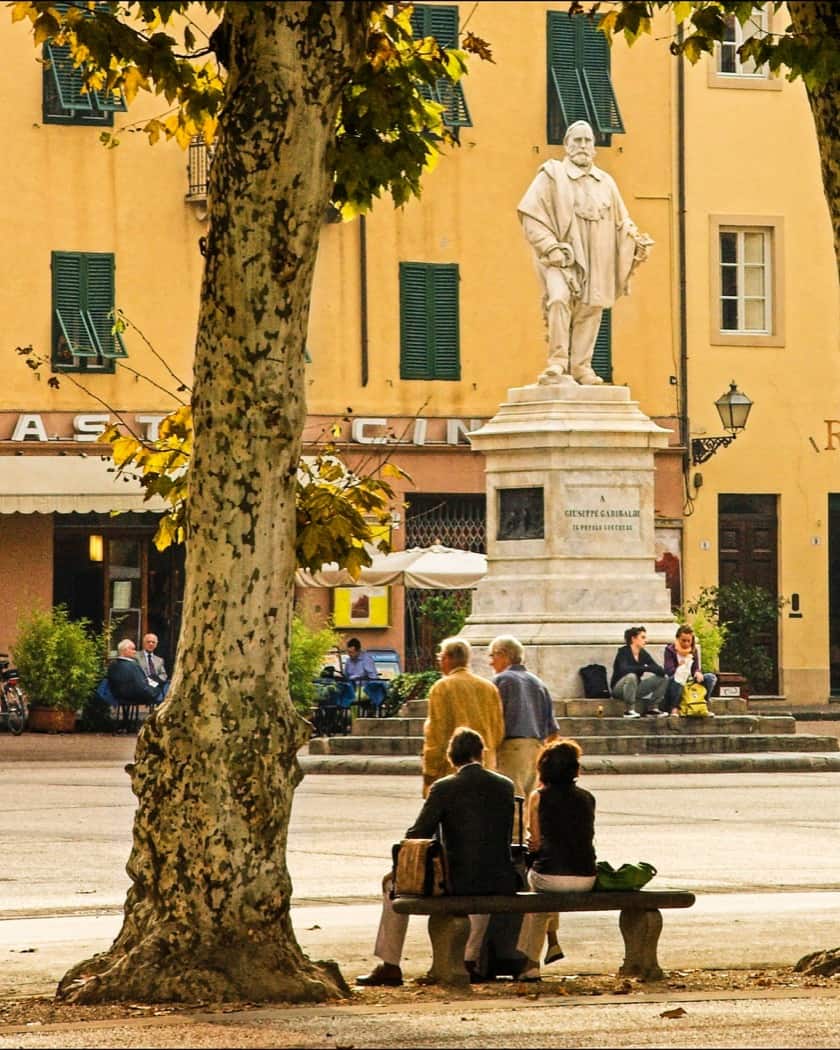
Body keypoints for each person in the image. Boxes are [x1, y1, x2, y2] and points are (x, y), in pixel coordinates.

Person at [356, 727, 518, 987]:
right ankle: (468, 959)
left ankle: (390, 964)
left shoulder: (444, 787)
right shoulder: (505, 785)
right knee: (480, 877)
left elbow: (418, 834)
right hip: (499, 879)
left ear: (452, 757)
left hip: (456, 882)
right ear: (481, 754)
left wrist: (398, 868)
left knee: (392, 886)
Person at [517, 119, 653, 386]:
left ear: (594, 148)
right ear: (566, 145)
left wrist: (635, 240)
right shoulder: (551, 176)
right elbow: (530, 216)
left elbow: (621, 221)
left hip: (598, 256)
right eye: (576, 140)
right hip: (563, 256)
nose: (582, 145)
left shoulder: (606, 183)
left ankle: (581, 367)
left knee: (592, 308)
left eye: (587, 141)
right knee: (558, 299)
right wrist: (549, 247)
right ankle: (557, 361)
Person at [516, 739, 597, 982]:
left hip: (551, 876)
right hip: (586, 877)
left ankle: (531, 963)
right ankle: (552, 942)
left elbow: (536, 842)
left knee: (538, 894)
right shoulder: (588, 798)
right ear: (575, 769)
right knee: (548, 884)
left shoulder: (538, 796)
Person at [489, 635, 559, 831]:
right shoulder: (538, 683)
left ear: (504, 655)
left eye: (493, 655)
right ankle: (529, 843)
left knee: (512, 801)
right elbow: (553, 728)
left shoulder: (501, 680)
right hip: (537, 746)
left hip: (512, 747)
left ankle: (514, 848)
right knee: (530, 802)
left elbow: (495, 719)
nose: (491, 661)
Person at [422, 637, 505, 797]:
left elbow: (436, 732)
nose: (440, 662)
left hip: (452, 768)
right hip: (485, 765)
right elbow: (498, 730)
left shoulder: (442, 687)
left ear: (447, 658)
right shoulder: (488, 687)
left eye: (440, 657)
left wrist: (430, 770)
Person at [610, 626, 667, 718]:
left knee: (663, 679)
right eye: (642, 637)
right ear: (633, 639)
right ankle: (629, 710)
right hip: (619, 689)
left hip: (635, 688)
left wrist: (649, 668)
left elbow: (659, 670)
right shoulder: (623, 652)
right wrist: (644, 668)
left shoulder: (643, 653)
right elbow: (624, 669)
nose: (646, 640)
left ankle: (652, 708)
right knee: (631, 676)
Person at [664, 625, 718, 717]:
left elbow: (696, 668)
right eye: (683, 640)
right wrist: (679, 667)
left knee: (710, 678)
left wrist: (697, 672)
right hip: (676, 681)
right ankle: (675, 707)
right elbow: (669, 670)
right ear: (677, 639)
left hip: (691, 680)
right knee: (678, 677)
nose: (686, 643)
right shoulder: (670, 650)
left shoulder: (693, 650)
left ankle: (702, 705)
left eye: (689, 641)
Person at [107, 639, 159, 732]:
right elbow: (141, 685)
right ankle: (154, 726)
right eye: (132, 649)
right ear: (125, 650)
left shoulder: (112, 665)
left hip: (117, 696)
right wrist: (153, 690)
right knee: (161, 690)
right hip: (134, 696)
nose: (135, 651)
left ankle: (126, 723)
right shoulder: (132, 665)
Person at [136, 632, 168, 701]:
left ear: (156, 645)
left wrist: (155, 682)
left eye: (153, 642)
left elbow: (164, 674)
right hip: (142, 686)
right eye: (148, 642)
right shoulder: (136, 656)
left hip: (156, 685)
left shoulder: (159, 660)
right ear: (144, 643)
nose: (151, 644)